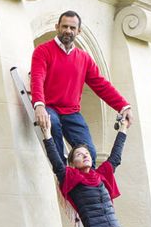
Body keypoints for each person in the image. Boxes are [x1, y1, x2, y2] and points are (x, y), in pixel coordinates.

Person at [30, 10, 132, 162]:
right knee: (54, 125)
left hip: (72, 112)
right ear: (57, 27)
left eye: (72, 28)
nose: (67, 31)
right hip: (49, 108)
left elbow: (101, 85)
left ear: (79, 31)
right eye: (64, 26)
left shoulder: (84, 58)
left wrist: (124, 107)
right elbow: (37, 77)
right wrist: (39, 105)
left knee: (90, 152)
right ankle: (62, 176)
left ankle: (88, 185)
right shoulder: (43, 51)